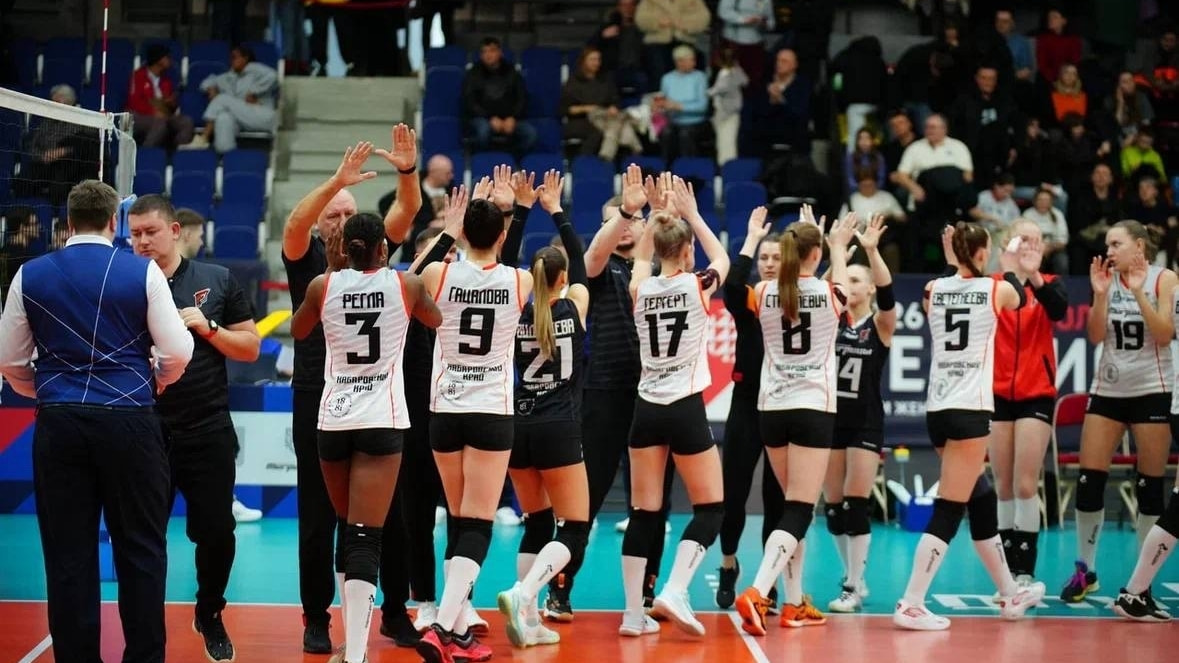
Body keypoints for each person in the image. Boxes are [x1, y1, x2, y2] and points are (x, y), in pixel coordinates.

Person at [0, 180, 193, 663]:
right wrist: (155, 382)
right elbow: (177, 351)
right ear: (114, 221)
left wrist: (47, 392)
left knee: (67, 554)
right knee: (141, 549)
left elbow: (10, 360)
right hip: (130, 422)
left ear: (67, 222)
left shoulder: (29, 274)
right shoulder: (143, 271)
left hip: (60, 424)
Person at [281, 126, 422, 653]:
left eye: (348, 214)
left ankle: (394, 611)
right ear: (321, 227)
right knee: (318, 517)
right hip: (317, 396)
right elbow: (294, 225)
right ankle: (317, 617)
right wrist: (337, 181)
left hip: (378, 400)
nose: (341, 223)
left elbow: (407, 211)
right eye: (332, 216)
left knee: (392, 514)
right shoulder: (307, 261)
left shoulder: (374, 255)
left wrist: (407, 171)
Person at [290, 212, 442, 663]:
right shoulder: (405, 285)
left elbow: (299, 330)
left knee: (348, 528)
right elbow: (434, 319)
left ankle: (348, 644)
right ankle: (355, 652)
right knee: (365, 535)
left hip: (333, 420)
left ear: (343, 248)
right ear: (383, 248)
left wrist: (333, 274)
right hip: (381, 419)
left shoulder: (322, 285)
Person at [891, 223, 1046, 631]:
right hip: (970, 409)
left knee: (982, 497)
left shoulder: (934, 289)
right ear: (980, 254)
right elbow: (1020, 296)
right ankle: (911, 602)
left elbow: (943, 289)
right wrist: (1008, 264)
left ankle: (1010, 591)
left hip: (938, 410)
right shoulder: (997, 289)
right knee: (949, 508)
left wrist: (952, 263)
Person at [127, 195, 261, 662]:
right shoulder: (123, 282)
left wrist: (209, 328)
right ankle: (144, 633)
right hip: (144, 430)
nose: (142, 241)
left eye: (151, 232)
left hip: (207, 428)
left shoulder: (216, 279)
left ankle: (210, 611)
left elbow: (250, 348)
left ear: (174, 231)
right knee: (142, 536)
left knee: (217, 532)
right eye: (135, 233)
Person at [414, 188, 535, 663]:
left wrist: (448, 232)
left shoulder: (439, 273)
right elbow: (506, 259)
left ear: (463, 233)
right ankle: (443, 627)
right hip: (490, 411)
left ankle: (460, 631)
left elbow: (410, 279)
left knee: (460, 519)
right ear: (502, 236)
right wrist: (518, 211)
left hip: (445, 411)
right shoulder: (520, 280)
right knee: (477, 524)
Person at [554, 166, 674, 623]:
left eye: (633, 222)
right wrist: (626, 211)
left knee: (653, 502)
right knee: (585, 498)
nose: (625, 228)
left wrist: (661, 217)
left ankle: (645, 593)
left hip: (654, 396)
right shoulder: (598, 268)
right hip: (604, 393)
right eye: (616, 221)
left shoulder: (659, 269)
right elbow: (591, 256)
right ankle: (560, 590)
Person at [734, 207, 856, 636]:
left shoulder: (764, 291)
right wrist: (837, 245)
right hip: (812, 408)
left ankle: (793, 602)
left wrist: (819, 244)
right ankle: (758, 591)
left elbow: (738, 288)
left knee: (791, 511)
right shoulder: (829, 293)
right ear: (816, 254)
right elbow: (841, 284)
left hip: (772, 408)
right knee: (801, 509)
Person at [618, 175, 729, 638]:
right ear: (687, 252)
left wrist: (655, 218)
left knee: (643, 513)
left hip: (646, 409)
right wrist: (691, 215)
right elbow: (723, 258)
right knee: (711, 508)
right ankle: (676, 589)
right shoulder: (698, 285)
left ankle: (632, 615)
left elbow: (642, 259)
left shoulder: (640, 289)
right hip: (684, 408)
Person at [495, 171, 592, 648]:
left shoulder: (514, 308)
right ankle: (525, 594)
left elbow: (505, 265)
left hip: (519, 425)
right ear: (562, 279)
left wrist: (520, 211)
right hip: (558, 426)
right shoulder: (574, 304)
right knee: (574, 525)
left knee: (536, 521)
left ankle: (530, 621)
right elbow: (581, 265)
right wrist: (556, 210)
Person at [1062, 220, 1176, 602]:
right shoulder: (1106, 279)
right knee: (1088, 481)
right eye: (1107, 244)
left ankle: (1142, 582)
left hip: (1152, 391)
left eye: (1116, 244)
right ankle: (1085, 570)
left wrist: (1140, 293)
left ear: (1139, 246)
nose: (1108, 251)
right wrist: (1099, 296)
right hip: (1108, 390)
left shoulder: (1164, 279)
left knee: (1149, 488)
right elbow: (1095, 335)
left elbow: (1164, 335)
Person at [985, 220, 1068, 589]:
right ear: (1008, 243)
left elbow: (1059, 310)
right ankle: (1005, 575)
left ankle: (1025, 571)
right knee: (1002, 485)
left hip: (1036, 392)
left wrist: (1033, 277)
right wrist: (1008, 273)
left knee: (1024, 484)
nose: (1031, 245)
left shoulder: (1049, 283)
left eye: (1037, 240)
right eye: (1023, 239)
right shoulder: (993, 285)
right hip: (997, 393)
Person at [824, 214, 896, 613]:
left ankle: (852, 585)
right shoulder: (831, 320)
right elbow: (822, 288)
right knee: (833, 509)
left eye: (856, 280)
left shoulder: (880, 325)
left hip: (866, 421)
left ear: (868, 288)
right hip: (830, 420)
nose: (849, 286)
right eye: (846, 280)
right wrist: (833, 251)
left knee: (855, 502)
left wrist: (870, 251)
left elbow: (888, 294)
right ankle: (853, 575)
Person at [714, 210, 786, 612]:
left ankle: (768, 581)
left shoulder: (797, 299)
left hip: (780, 404)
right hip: (745, 404)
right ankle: (728, 564)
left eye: (777, 258)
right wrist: (752, 238)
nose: (770, 264)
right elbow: (731, 285)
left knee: (776, 499)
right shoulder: (751, 300)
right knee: (734, 495)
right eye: (765, 258)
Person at [195, 44, 279, 153]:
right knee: (223, 118)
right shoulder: (228, 77)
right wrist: (211, 88)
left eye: (235, 57)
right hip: (240, 118)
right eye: (231, 58)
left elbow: (273, 76)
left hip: (261, 115)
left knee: (222, 99)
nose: (231, 61)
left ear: (245, 58)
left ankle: (204, 137)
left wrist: (254, 91)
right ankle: (226, 155)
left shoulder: (256, 72)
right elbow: (206, 82)